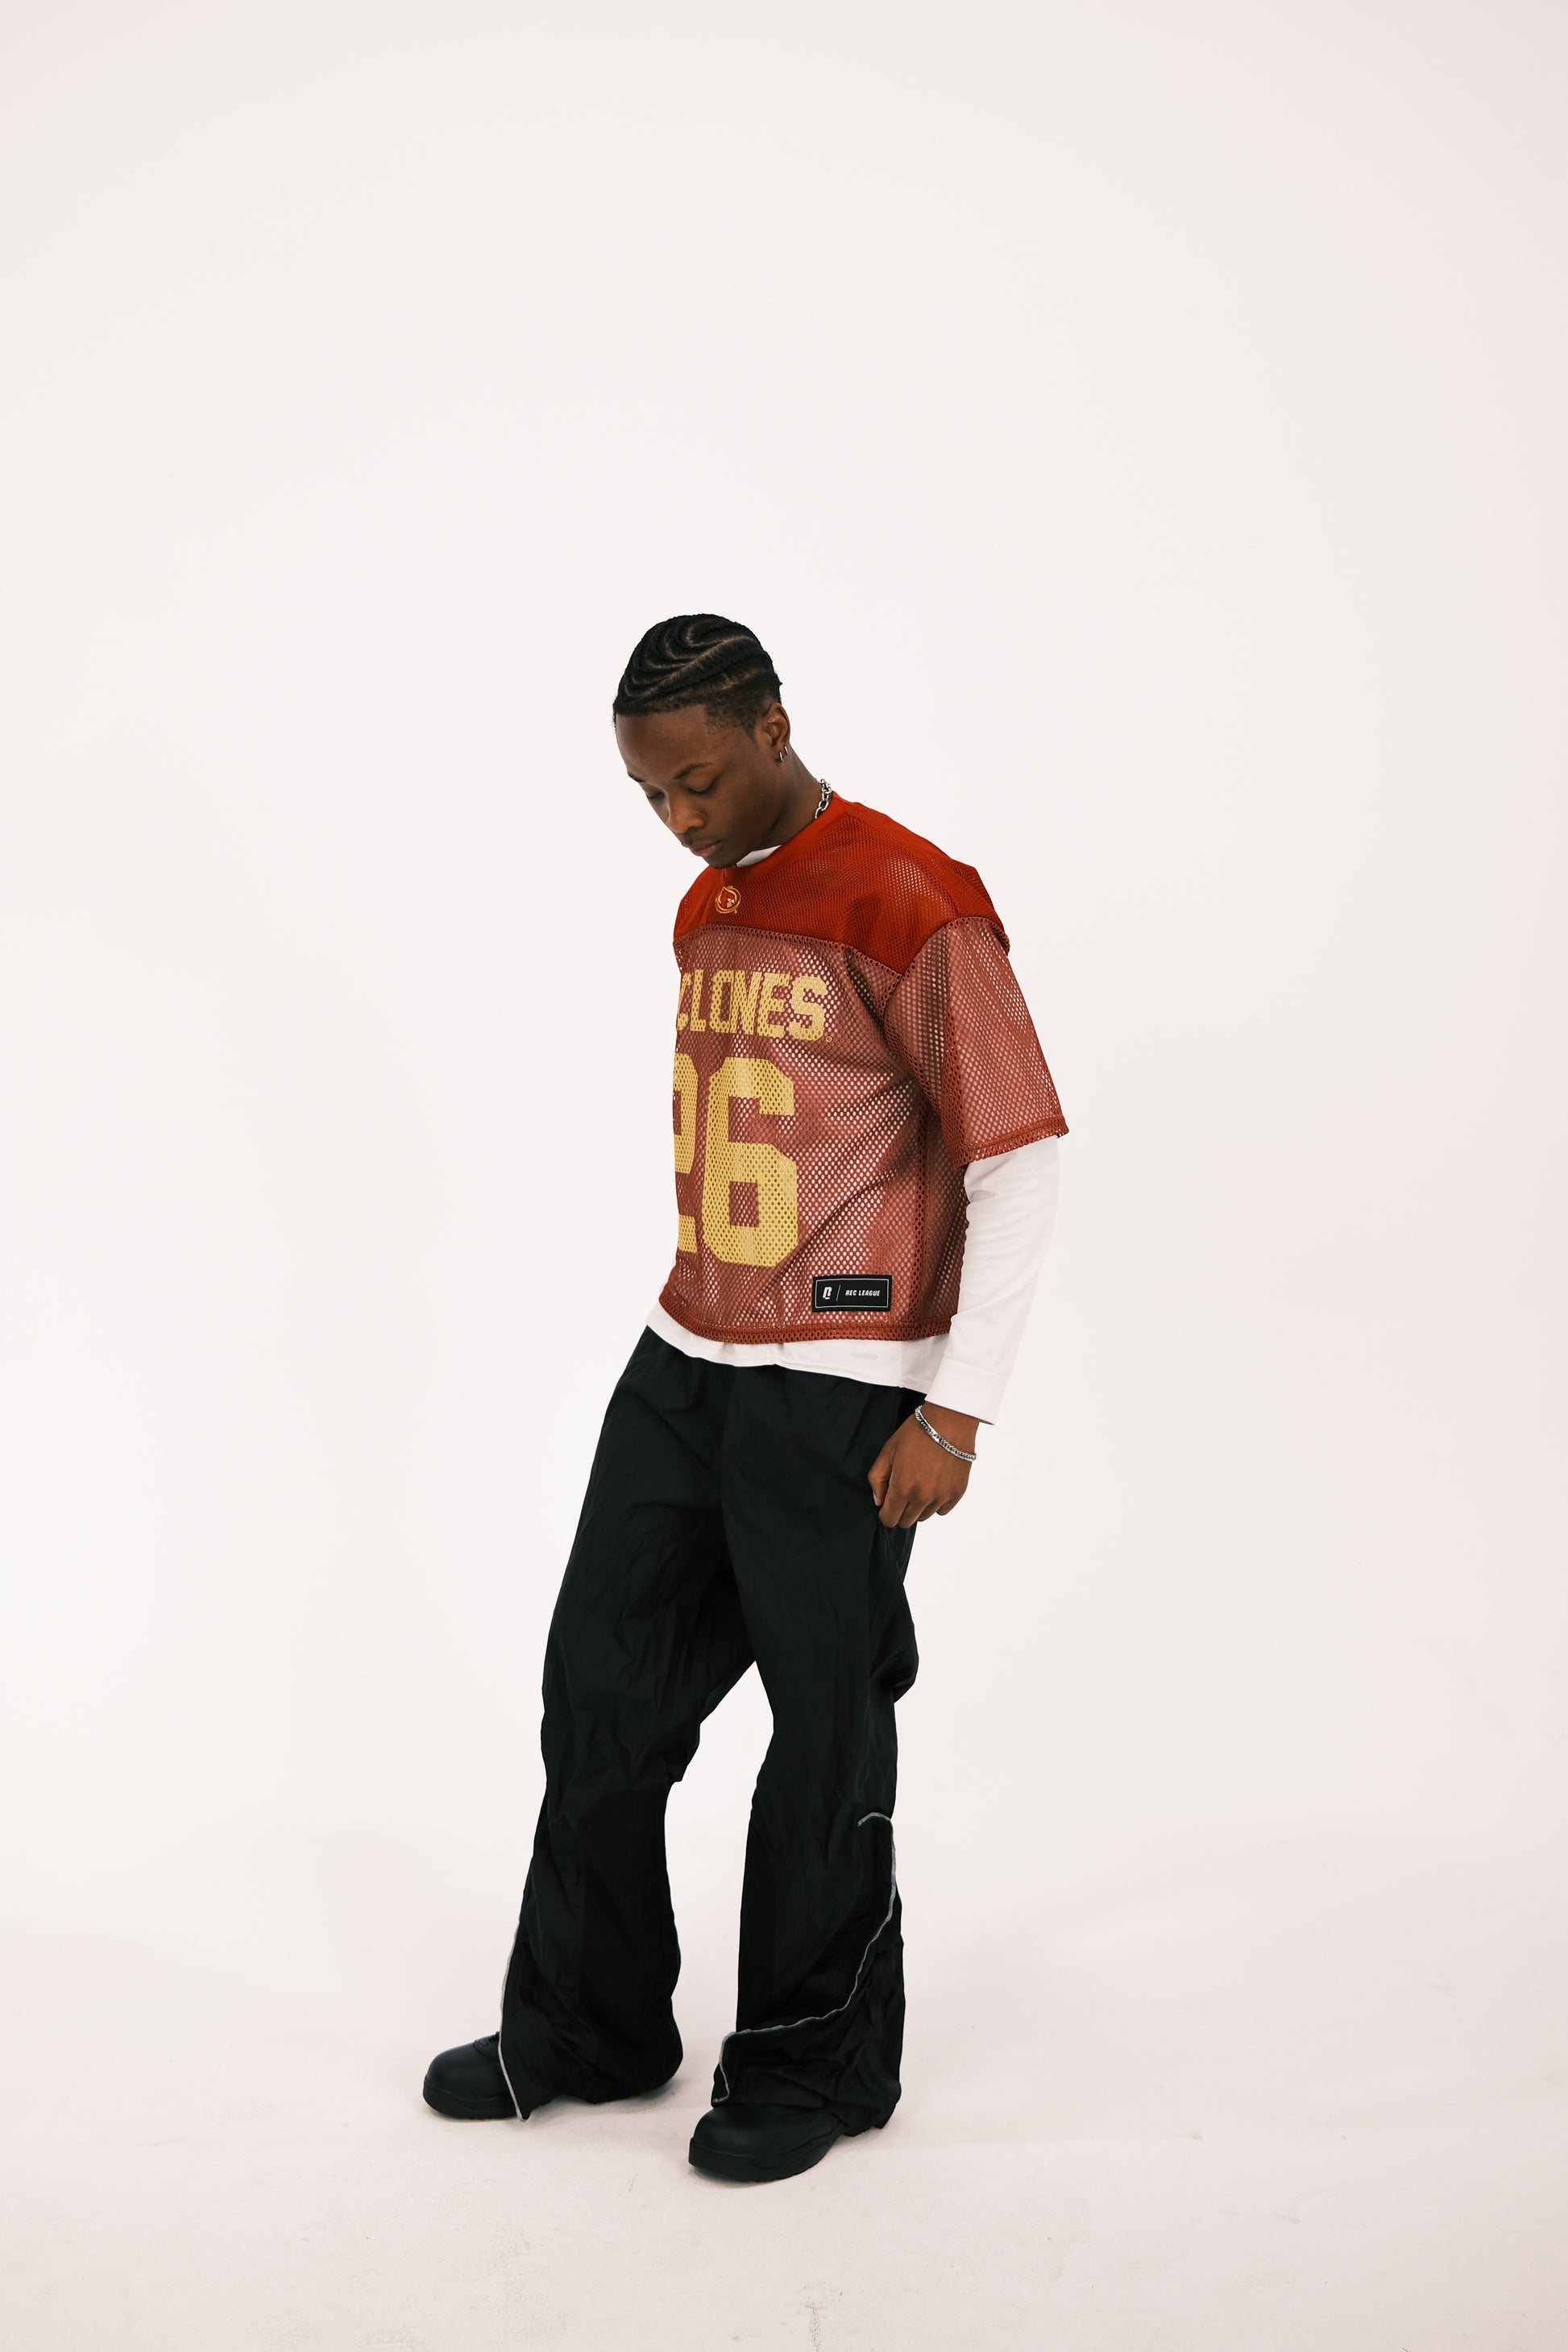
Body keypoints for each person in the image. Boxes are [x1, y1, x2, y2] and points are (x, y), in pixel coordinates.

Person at [422, 614, 1067, 2182]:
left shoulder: (913, 896)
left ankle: (811, 2062)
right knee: (600, 1690)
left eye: (697, 781)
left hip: (845, 1379)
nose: (678, 818)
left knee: (821, 1731)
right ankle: (590, 2025)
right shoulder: (706, 901)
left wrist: (955, 1410)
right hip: (691, 1350)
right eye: (650, 794)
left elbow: (1020, 1155)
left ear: (773, 724)